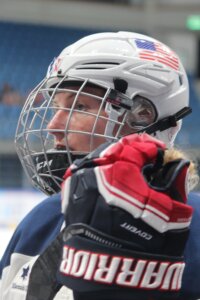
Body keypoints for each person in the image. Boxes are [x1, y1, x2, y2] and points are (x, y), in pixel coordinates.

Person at [0, 31, 199, 300]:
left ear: (143, 117)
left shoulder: (194, 228)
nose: (52, 127)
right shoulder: (44, 218)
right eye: (56, 108)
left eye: (79, 106)